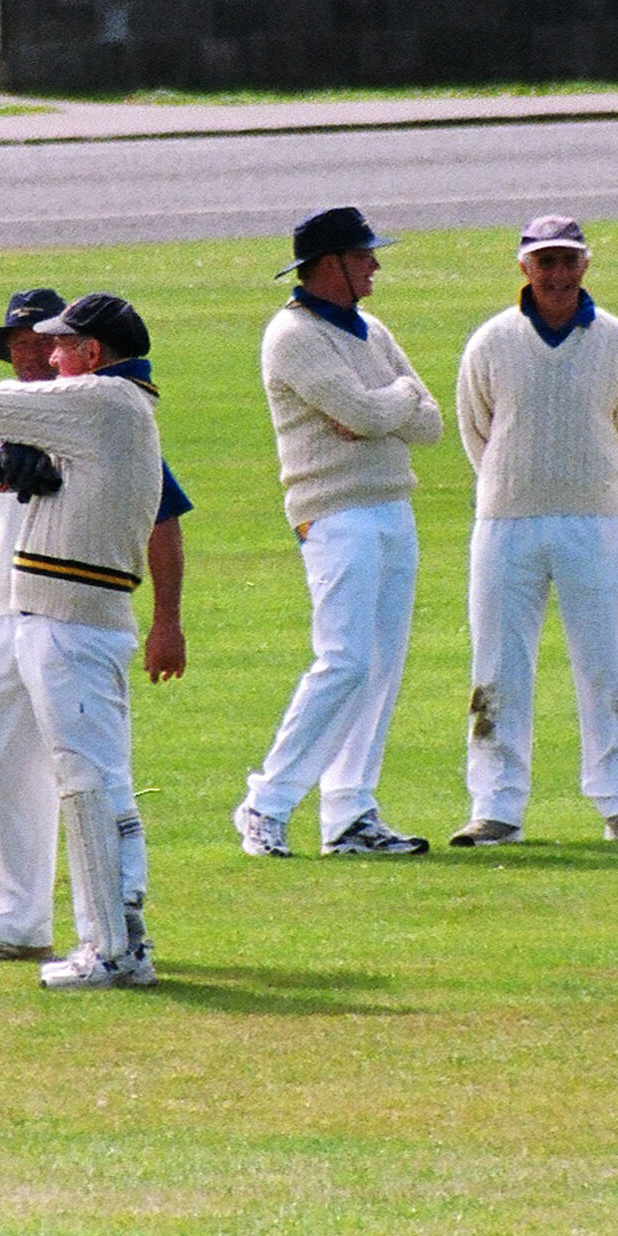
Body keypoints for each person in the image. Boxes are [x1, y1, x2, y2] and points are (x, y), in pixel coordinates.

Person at [0, 287, 188, 962]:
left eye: (45, 343)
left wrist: (167, 619)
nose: (34, 355)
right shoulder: (45, 408)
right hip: (13, 604)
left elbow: (161, 522)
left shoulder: (103, 408)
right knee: (2, 766)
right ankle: (17, 918)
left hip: (72, 608)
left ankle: (113, 931)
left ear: (86, 351)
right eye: (23, 346)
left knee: (88, 771)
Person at [237, 206, 445, 859]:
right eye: (363, 257)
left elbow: (429, 420)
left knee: (379, 666)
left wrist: (389, 404)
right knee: (345, 659)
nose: (375, 264)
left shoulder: (371, 328)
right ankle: (264, 803)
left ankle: (350, 812)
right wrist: (392, 402)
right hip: (333, 512)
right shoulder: (291, 335)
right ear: (330, 266)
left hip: (391, 506)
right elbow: (362, 408)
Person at [452, 215, 618, 846]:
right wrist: (520, 483)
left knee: (609, 667)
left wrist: (589, 481)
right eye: (545, 261)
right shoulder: (491, 341)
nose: (557, 273)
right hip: (506, 522)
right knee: (497, 671)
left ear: (585, 265)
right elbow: (476, 430)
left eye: (568, 260)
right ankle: (496, 807)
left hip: (593, 521)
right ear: (524, 268)